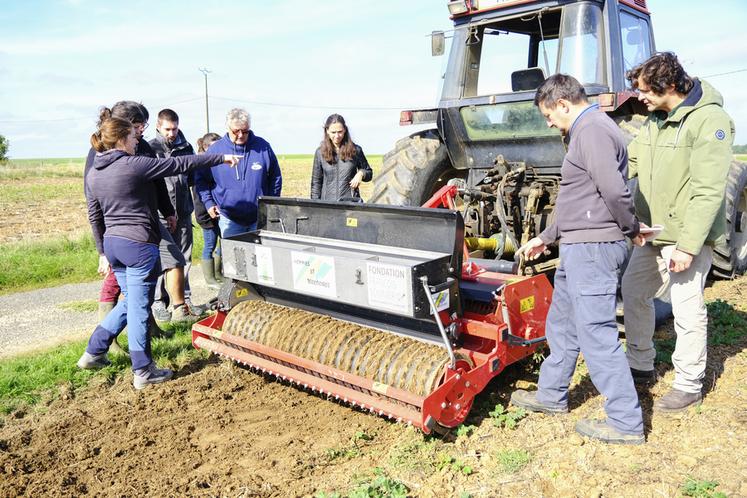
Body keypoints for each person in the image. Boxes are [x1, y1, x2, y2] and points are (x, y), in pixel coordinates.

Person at [510, 74, 647, 445]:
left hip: (593, 249)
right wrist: (546, 236)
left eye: (548, 115)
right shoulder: (584, 132)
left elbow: (615, 192)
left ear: (563, 104)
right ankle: (551, 394)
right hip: (577, 246)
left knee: (596, 334)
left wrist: (631, 228)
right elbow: (577, 199)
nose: (549, 123)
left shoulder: (594, 131)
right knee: (564, 325)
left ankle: (625, 422)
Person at [78, 111, 238, 389]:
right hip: (138, 245)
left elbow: (95, 216)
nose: (135, 140)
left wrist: (101, 250)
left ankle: (93, 352)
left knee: (129, 302)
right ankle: (143, 370)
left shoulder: (94, 173)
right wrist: (220, 157)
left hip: (113, 245)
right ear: (119, 140)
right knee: (140, 307)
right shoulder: (133, 165)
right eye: (131, 136)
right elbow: (180, 164)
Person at [621, 52, 734, 412]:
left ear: (669, 86)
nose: (641, 98)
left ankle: (688, 383)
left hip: (686, 235)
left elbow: (708, 190)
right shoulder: (655, 119)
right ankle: (640, 363)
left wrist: (688, 246)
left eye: (645, 91)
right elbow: (631, 160)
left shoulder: (709, 120)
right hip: (652, 231)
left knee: (685, 306)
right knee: (633, 290)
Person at [195, 108, 282, 237]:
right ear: (228, 127)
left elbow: (275, 177)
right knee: (233, 256)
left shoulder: (263, 147)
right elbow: (201, 179)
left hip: (259, 217)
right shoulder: (215, 151)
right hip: (229, 219)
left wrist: (271, 203)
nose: (241, 135)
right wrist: (208, 203)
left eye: (245, 131)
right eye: (236, 131)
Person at [149, 109, 200, 316]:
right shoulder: (150, 148)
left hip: (184, 211)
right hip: (160, 213)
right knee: (163, 259)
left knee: (184, 258)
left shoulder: (186, 148)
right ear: (158, 127)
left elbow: (192, 179)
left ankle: (184, 301)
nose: (171, 133)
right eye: (168, 129)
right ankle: (159, 301)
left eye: (175, 128)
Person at [310, 114, 373, 201]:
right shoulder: (319, 152)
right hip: (327, 205)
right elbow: (316, 183)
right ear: (327, 131)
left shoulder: (356, 150)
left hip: (350, 204)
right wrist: (315, 205)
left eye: (340, 132)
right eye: (333, 132)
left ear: (345, 130)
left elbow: (369, 173)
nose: (337, 136)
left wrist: (361, 173)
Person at [193, 132, 223, 290]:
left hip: (219, 211)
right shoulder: (201, 165)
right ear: (205, 148)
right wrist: (207, 209)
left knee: (222, 243)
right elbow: (200, 194)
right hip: (206, 213)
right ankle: (210, 279)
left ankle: (218, 274)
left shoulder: (218, 163)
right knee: (210, 244)